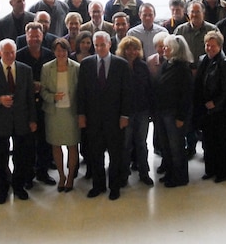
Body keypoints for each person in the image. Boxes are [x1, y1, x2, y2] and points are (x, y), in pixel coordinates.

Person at [77, 31, 132, 199]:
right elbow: (81, 92)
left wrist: (124, 115)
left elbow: (127, 92)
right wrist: (81, 114)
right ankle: (98, 186)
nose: (100, 48)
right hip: (93, 119)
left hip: (115, 119)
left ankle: (114, 187)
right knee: (95, 154)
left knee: (116, 154)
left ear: (109, 44)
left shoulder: (121, 64)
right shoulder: (86, 64)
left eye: (103, 44)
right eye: (97, 45)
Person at [0, 39, 37, 203]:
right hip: (0, 122)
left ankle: (19, 186)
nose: (10, 55)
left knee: (21, 157)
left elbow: (30, 98)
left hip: (21, 121)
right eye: (6, 53)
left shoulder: (25, 70)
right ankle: (2, 189)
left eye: (12, 52)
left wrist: (32, 119)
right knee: (0, 158)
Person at [16, 22, 57, 186]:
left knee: (44, 141)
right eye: (31, 36)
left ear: (42, 36)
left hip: (45, 104)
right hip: (26, 106)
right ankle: (28, 174)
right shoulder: (19, 56)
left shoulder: (49, 55)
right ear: (26, 37)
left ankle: (42, 172)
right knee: (27, 142)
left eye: (37, 35)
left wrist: (43, 86)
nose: (34, 38)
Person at [194, 31, 226, 182]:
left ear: (220, 46)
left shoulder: (224, 64)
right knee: (208, 141)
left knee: (222, 143)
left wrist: (216, 103)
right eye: (207, 45)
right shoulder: (203, 60)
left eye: (213, 46)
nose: (209, 48)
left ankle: (222, 173)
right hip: (207, 110)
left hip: (221, 111)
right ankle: (210, 169)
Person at [153, 35, 194, 187]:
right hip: (163, 112)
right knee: (166, 146)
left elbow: (186, 95)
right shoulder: (167, 64)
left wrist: (181, 117)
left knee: (176, 147)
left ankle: (180, 177)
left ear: (175, 50)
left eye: (166, 47)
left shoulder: (183, 69)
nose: (163, 50)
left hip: (174, 114)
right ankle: (170, 172)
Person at [41, 39, 81, 192]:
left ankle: (70, 177)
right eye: (58, 50)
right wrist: (52, 97)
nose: (61, 53)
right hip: (54, 113)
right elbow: (43, 90)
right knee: (56, 145)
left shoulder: (76, 67)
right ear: (54, 52)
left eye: (64, 50)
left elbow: (82, 92)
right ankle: (61, 176)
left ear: (68, 51)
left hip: (71, 113)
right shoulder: (47, 68)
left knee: (72, 145)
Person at [118, 35, 155, 187]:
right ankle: (124, 174)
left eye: (135, 49)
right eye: (128, 48)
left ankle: (144, 173)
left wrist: (151, 110)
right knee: (125, 145)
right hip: (125, 112)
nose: (131, 52)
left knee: (141, 143)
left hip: (142, 111)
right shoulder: (119, 65)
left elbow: (149, 89)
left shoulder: (143, 66)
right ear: (123, 49)